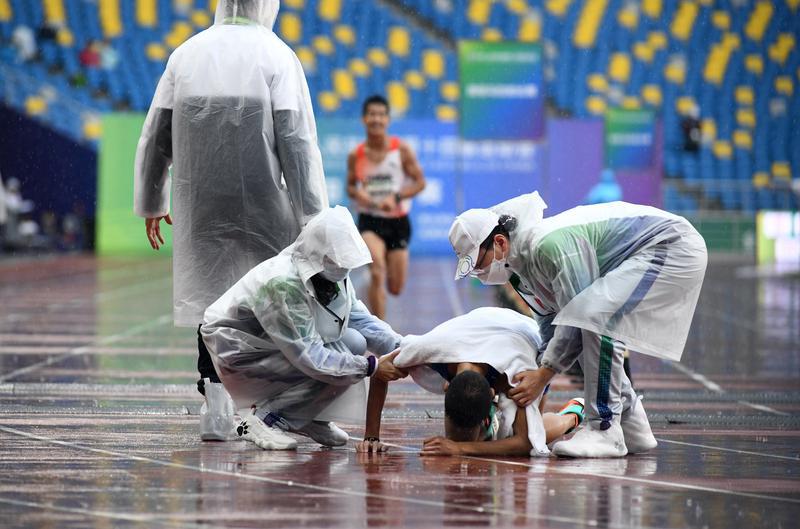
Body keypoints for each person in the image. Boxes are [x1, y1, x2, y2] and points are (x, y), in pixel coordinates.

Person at [133, 0, 328, 441]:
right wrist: (313, 219)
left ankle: (216, 407)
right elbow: (298, 146)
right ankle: (263, 407)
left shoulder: (185, 55)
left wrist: (151, 201)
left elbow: (154, 138)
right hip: (264, 207)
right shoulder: (277, 55)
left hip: (201, 207)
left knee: (211, 305)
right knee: (266, 303)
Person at [449, 192, 707, 457]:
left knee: (593, 317)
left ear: (500, 242)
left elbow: (579, 318)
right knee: (587, 320)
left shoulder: (547, 246)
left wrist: (545, 374)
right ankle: (632, 423)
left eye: (479, 265)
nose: (480, 275)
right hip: (653, 250)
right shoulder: (519, 271)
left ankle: (605, 429)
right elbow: (551, 325)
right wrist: (536, 373)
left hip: (671, 244)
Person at [201, 207, 407, 450]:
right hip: (239, 351)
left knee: (354, 343)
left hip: (273, 345)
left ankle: (307, 417)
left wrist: (408, 349)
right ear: (319, 254)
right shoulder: (283, 283)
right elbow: (310, 357)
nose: (341, 267)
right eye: (334, 261)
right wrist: (371, 367)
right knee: (341, 359)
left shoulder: (331, 271)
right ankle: (265, 419)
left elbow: (361, 319)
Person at [356, 307, 585, 456]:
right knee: (494, 444)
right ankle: (485, 429)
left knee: (530, 445)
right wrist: (372, 436)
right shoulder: (428, 348)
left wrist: (460, 447)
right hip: (471, 333)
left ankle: (572, 415)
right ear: (446, 391)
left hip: (526, 337)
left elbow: (524, 442)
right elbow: (380, 371)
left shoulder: (517, 374)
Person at [346, 94, 426, 320]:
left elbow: (421, 182)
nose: (376, 119)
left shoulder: (401, 151)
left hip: (398, 222)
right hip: (370, 221)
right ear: (364, 119)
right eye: (372, 115)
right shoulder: (356, 155)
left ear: (388, 120)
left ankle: (374, 297)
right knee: (377, 270)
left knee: (395, 287)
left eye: (381, 115)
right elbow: (351, 187)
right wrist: (366, 199)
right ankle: (382, 336)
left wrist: (397, 196)